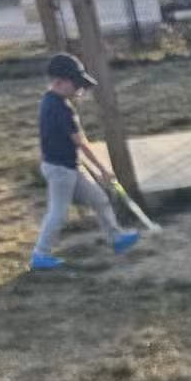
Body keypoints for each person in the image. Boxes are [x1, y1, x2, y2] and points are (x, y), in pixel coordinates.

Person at [30, 52, 140, 273]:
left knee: (99, 199)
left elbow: (71, 144)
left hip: (68, 167)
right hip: (60, 171)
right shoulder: (60, 108)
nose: (80, 89)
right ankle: (40, 255)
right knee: (58, 213)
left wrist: (89, 169)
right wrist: (103, 170)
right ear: (59, 81)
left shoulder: (50, 101)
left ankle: (116, 237)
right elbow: (81, 143)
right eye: (76, 83)